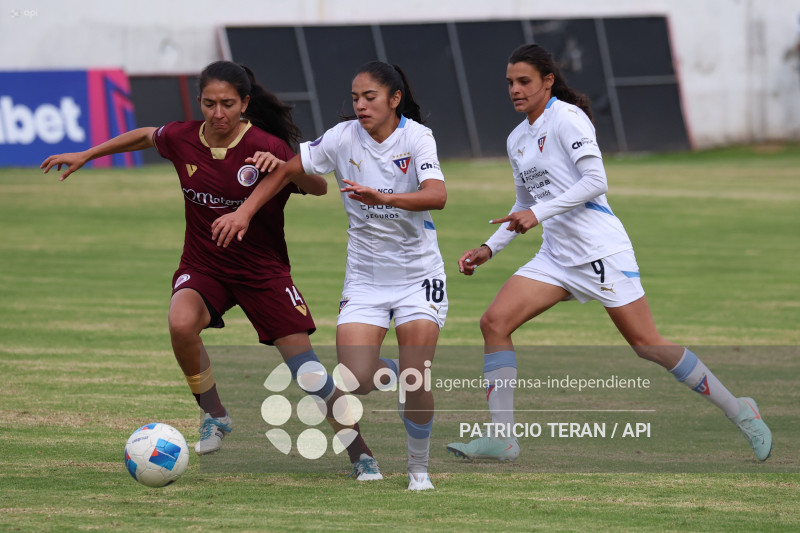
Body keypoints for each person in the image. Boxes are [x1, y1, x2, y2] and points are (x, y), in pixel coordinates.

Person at [40, 60, 378, 473]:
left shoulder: (267, 146)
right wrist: (88, 153)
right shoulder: (183, 138)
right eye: (210, 103)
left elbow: (319, 186)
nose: (218, 113)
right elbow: (147, 135)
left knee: (307, 372)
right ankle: (214, 414)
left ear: (245, 104)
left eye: (228, 104)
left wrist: (286, 170)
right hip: (205, 266)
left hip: (262, 273)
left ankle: (360, 452)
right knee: (181, 323)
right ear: (199, 102)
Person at [445, 44, 772, 463]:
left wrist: (537, 213)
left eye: (524, 81)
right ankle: (503, 437)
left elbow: (595, 180)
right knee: (494, 322)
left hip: (600, 251)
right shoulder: (517, 138)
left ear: (547, 81)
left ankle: (739, 409)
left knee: (647, 344)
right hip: (557, 256)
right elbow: (523, 202)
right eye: (510, 82)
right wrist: (489, 248)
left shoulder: (567, 118)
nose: (515, 89)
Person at [210, 61, 448, 490]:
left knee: (419, 379)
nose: (360, 105)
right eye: (355, 97)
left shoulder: (416, 138)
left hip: (418, 275)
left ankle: (418, 470)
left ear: (394, 99)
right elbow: (289, 169)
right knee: (355, 378)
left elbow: (438, 195)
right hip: (366, 277)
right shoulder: (341, 138)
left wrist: (383, 195)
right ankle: (396, 371)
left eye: (369, 97)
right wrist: (246, 210)